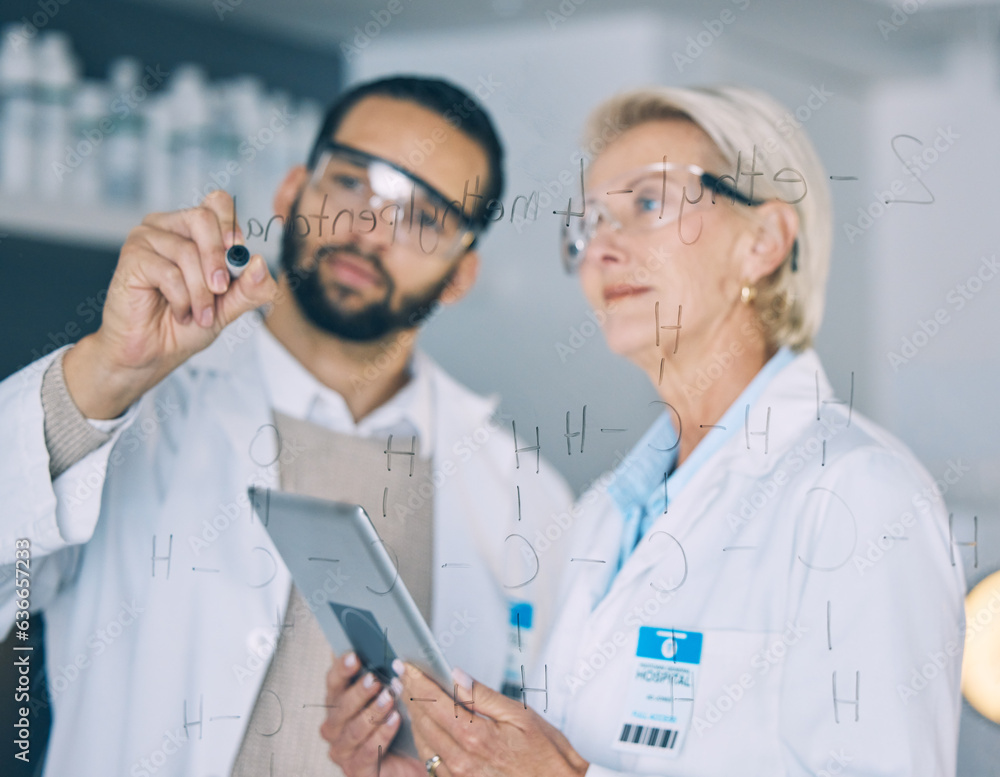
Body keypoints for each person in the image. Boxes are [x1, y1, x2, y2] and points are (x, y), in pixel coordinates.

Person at [350, 85, 967, 776]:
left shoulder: (860, 494)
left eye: (646, 203)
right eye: (587, 223)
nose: (600, 249)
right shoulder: (603, 517)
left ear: (762, 242)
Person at [0, 75, 572, 777]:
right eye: (353, 184)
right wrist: (103, 372)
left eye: (423, 217)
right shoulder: (139, 410)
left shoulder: (526, 496)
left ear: (461, 274)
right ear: (292, 190)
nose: (369, 229)